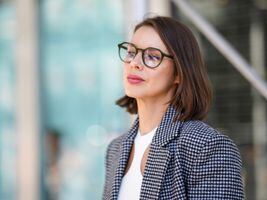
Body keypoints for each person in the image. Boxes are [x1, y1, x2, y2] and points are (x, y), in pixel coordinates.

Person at [102, 16, 244, 200]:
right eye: (131, 52)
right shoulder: (115, 149)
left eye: (152, 56)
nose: (134, 63)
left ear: (179, 72)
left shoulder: (208, 147)